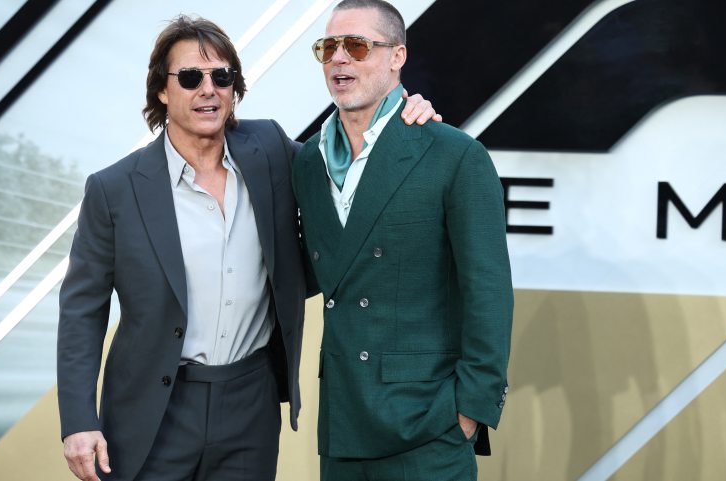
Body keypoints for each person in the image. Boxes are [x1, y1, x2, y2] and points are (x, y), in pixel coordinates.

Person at [56, 14, 438, 481]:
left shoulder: (270, 149)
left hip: (250, 402)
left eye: (222, 77)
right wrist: (78, 420)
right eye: (190, 77)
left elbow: (350, 162)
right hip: (154, 408)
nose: (208, 90)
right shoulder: (114, 189)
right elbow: (82, 312)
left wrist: (403, 113)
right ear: (162, 90)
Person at [291, 1, 514, 480]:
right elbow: (314, 269)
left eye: (357, 46)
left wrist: (470, 411)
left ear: (397, 57)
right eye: (328, 47)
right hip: (343, 421)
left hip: (429, 423)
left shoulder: (453, 154)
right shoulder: (309, 161)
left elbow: (488, 291)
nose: (339, 58)